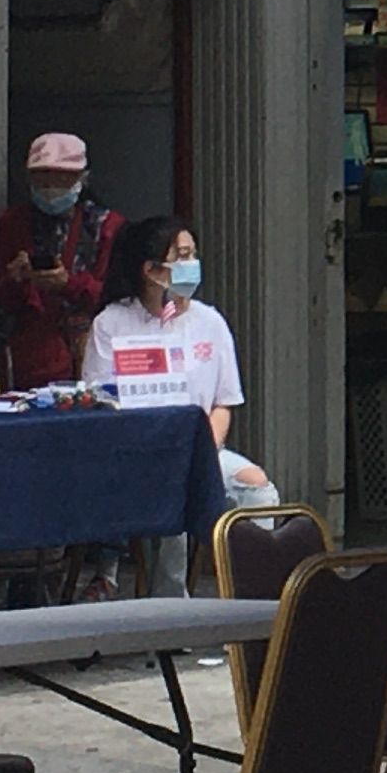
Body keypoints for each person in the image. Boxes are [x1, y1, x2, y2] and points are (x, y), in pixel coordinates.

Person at [81, 213, 273, 593]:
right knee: (171, 491)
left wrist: (205, 449)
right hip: (137, 455)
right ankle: (172, 609)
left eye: (193, 255)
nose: (191, 265)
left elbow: (224, 402)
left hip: (199, 448)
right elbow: (99, 401)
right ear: (152, 270)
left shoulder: (210, 323)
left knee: (257, 487)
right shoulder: (112, 323)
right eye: (181, 256)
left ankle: (255, 597)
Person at [0, 131, 115, 392]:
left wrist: (68, 284)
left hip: (89, 349)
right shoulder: (14, 223)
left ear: (81, 179)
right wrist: (17, 278)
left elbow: (113, 297)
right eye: (41, 178)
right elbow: (1, 297)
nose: (50, 187)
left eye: (61, 179)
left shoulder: (107, 226)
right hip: (33, 355)